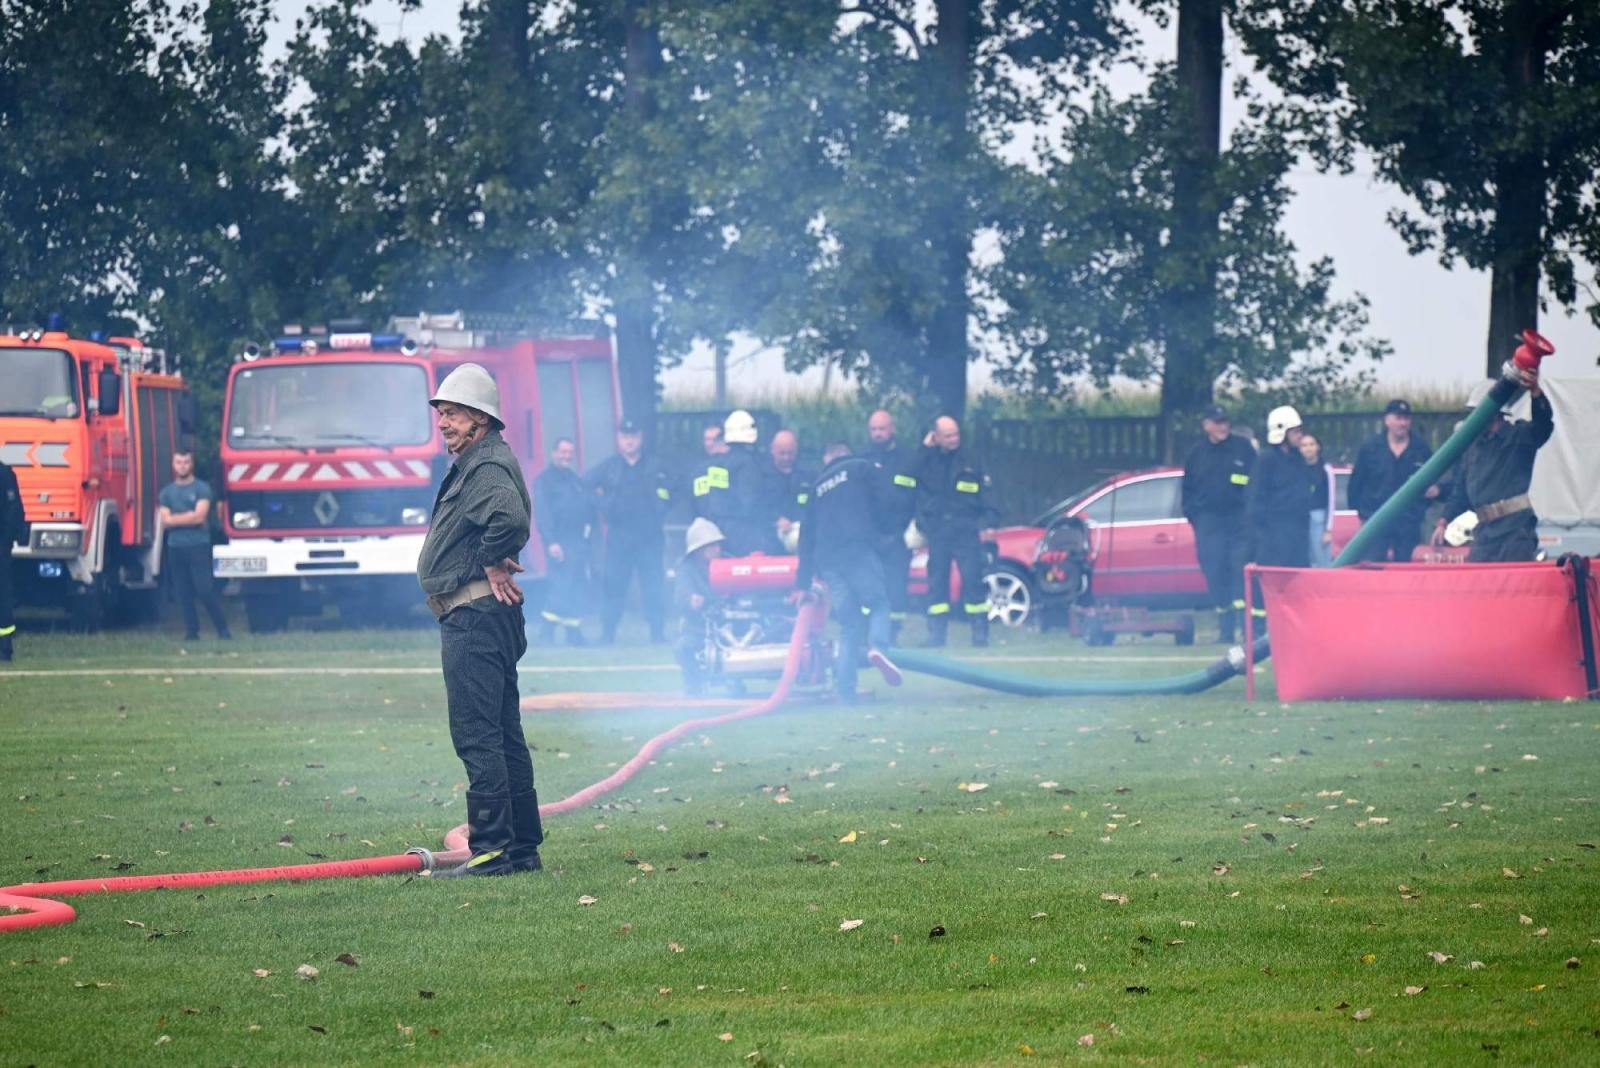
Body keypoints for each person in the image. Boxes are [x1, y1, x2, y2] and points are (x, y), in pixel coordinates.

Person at [417, 363, 542, 877]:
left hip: (474, 616)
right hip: (483, 615)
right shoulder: (480, 460)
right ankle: (521, 848)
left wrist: (493, 558)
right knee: (503, 730)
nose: (443, 422)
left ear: (481, 419)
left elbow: (508, 519)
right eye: (442, 413)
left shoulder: (485, 466)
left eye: (454, 414)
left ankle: (490, 850)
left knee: (477, 733)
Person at [794, 442, 903, 701]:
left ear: (827, 459)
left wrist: (802, 581)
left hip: (828, 561)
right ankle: (878, 647)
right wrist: (887, 536)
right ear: (847, 454)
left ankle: (845, 690)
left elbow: (806, 535)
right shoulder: (861, 468)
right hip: (857, 550)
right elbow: (887, 500)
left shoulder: (817, 487)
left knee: (848, 624)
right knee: (878, 602)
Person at [1436, 367, 1553, 562]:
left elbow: (1543, 425)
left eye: (1477, 413)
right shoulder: (1472, 448)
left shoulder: (1519, 436)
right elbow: (1461, 493)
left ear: (1494, 413)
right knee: (1479, 584)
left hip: (1515, 531)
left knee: (1515, 585)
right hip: (1485, 533)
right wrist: (1443, 521)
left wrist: (1535, 392)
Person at [915, 415, 998, 647]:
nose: (954, 439)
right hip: (938, 529)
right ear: (936, 437)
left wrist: (990, 521)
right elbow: (912, 475)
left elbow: (987, 491)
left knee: (973, 580)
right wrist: (924, 449)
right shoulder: (927, 460)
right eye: (948, 435)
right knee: (937, 583)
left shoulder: (971, 459)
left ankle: (980, 632)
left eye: (956, 434)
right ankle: (937, 634)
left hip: (966, 527)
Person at [586, 419, 671, 644]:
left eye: (633, 436)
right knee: (614, 584)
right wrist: (602, 505)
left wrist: (663, 505)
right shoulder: (609, 467)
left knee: (653, 584)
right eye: (625, 436)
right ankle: (608, 633)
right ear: (619, 439)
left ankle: (657, 633)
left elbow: (676, 487)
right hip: (620, 535)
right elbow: (585, 485)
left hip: (650, 535)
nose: (629, 440)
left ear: (640, 438)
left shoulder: (656, 465)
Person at [1179, 404, 1256, 642]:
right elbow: (1188, 490)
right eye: (1218, 422)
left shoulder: (1243, 449)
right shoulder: (1196, 454)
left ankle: (1247, 629)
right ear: (1207, 426)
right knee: (1214, 571)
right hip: (1209, 523)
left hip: (1238, 521)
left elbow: (1255, 483)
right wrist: (1196, 517)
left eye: (1226, 422)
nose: (1223, 427)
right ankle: (1225, 630)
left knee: (1238, 572)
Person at [1347, 398, 1440, 561]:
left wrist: (1431, 495)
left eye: (1406, 418)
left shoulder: (1421, 449)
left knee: (1405, 572)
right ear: (1387, 420)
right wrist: (1362, 516)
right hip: (1375, 521)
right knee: (1373, 568)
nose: (1403, 423)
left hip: (1408, 523)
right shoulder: (1370, 448)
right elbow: (1356, 484)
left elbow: (1436, 483)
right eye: (1398, 418)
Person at [1245, 406, 1311, 625]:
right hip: (1274, 538)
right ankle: (1261, 631)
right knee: (1271, 588)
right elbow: (1255, 501)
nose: (1300, 436)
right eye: (1295, 431)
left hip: (1297, 536)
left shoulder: (1298, 460)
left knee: (1295, 585)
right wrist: (1263, 537)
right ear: (1281, 433)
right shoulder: (1266, 461)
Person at [158, 451, 231, 641]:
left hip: (198, 545)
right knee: (183, 592)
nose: (182, 466)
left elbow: (200, 516)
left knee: (205, 589)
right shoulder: (166, 492)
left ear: (192, 464)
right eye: (178, 462)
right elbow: (164, 521)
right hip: (175, 547)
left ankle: (222, 629)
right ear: (173, 465)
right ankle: (192, 632)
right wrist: (188, 518)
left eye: (186, 462)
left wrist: (176, 519)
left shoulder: (202, 488)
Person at [691, 409, 781, 556]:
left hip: (718, 537)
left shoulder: (715, 466)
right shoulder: (750, 464)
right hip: (748, 538)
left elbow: (705, 502)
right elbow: (752, 504)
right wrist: (775, 518)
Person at [532, 437, 593, 645]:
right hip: (559, 540)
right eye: (563, 452)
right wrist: (551, 542)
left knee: (576, 586)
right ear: (554, 453)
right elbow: (543, 514)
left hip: (577, 541)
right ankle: (546, 630)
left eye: (570, 452)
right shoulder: (545, 481)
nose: (567, 456)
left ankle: (573, 631)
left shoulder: (575, 480)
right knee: (560, 586)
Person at [865, 409, 918, 643]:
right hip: (870, 535)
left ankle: (893, 632)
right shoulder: (862, 460)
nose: (878, 434)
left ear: (892, 429)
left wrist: (916, 526)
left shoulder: (909, 460)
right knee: (869, 584)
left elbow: (920, 495)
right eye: (874, 429)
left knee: (897, 586)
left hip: (898, 535)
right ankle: (868, 632)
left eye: (882, 429)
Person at [674, 517, 726, 696]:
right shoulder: (686, 570)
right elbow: (681, 595)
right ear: (698, 550)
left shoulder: (730, 564)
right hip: (701, 627)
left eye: (717, 545)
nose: (716, 549)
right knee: (684, 647)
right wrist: (691, 600)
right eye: (711, 546)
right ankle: (694, 686)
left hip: (732, 625)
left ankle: (733, 682)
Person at [768, 429, 813, 552]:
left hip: (804, 537)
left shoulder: (809, 474)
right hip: (771, 541)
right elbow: (756, 506)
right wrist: (776, 519)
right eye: (782, 453)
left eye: (790, 453)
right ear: (772, 450)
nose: (786, 457)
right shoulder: (762, 476)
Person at [0, 459, 28, 661]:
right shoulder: (5, 473)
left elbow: (13, 510)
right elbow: (15, 508)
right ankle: (5, 647)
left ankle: (5, 646)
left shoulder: (4, 473)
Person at [1299, 433, 1336, 567]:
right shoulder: (1296, 469)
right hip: (1300, 521)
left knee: (1322, 563)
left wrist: (1328, 530)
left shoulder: (1326, 470)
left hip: (1319, 521)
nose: (1308, 448)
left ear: (1318, 447)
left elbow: (1331, 501)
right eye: (1304, 445)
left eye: (1311, 444)